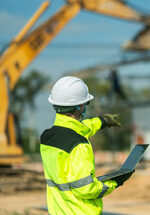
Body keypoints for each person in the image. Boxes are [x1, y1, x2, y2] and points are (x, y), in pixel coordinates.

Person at [40, 76, 133, 215]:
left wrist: (102, 121)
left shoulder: (47, 137)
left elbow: (79, 128)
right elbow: (86, 188)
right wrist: (114, 182)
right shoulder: (79, 145)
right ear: (81, 106)